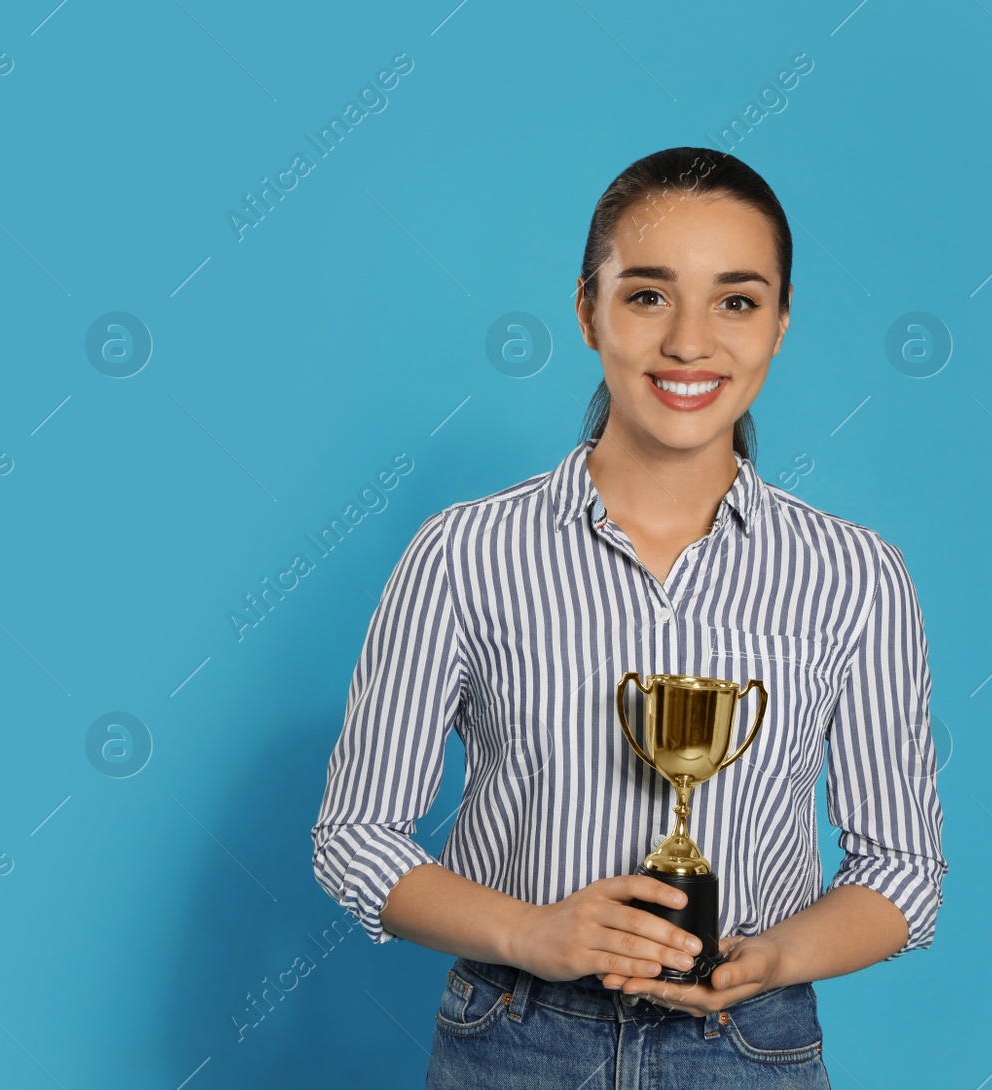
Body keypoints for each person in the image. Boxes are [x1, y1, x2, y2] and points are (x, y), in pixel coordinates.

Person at [310, 147, 946, 1087]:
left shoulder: (857, 575)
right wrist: (532, 931)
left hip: (749, 1046)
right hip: (515, 1035)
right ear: (587, 310)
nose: (690, 342)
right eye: (648, 295)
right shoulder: (464, 553)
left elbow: (904, 871)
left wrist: (770, 961)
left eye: (736, 300)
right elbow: (353, 835)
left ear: (780, 323)